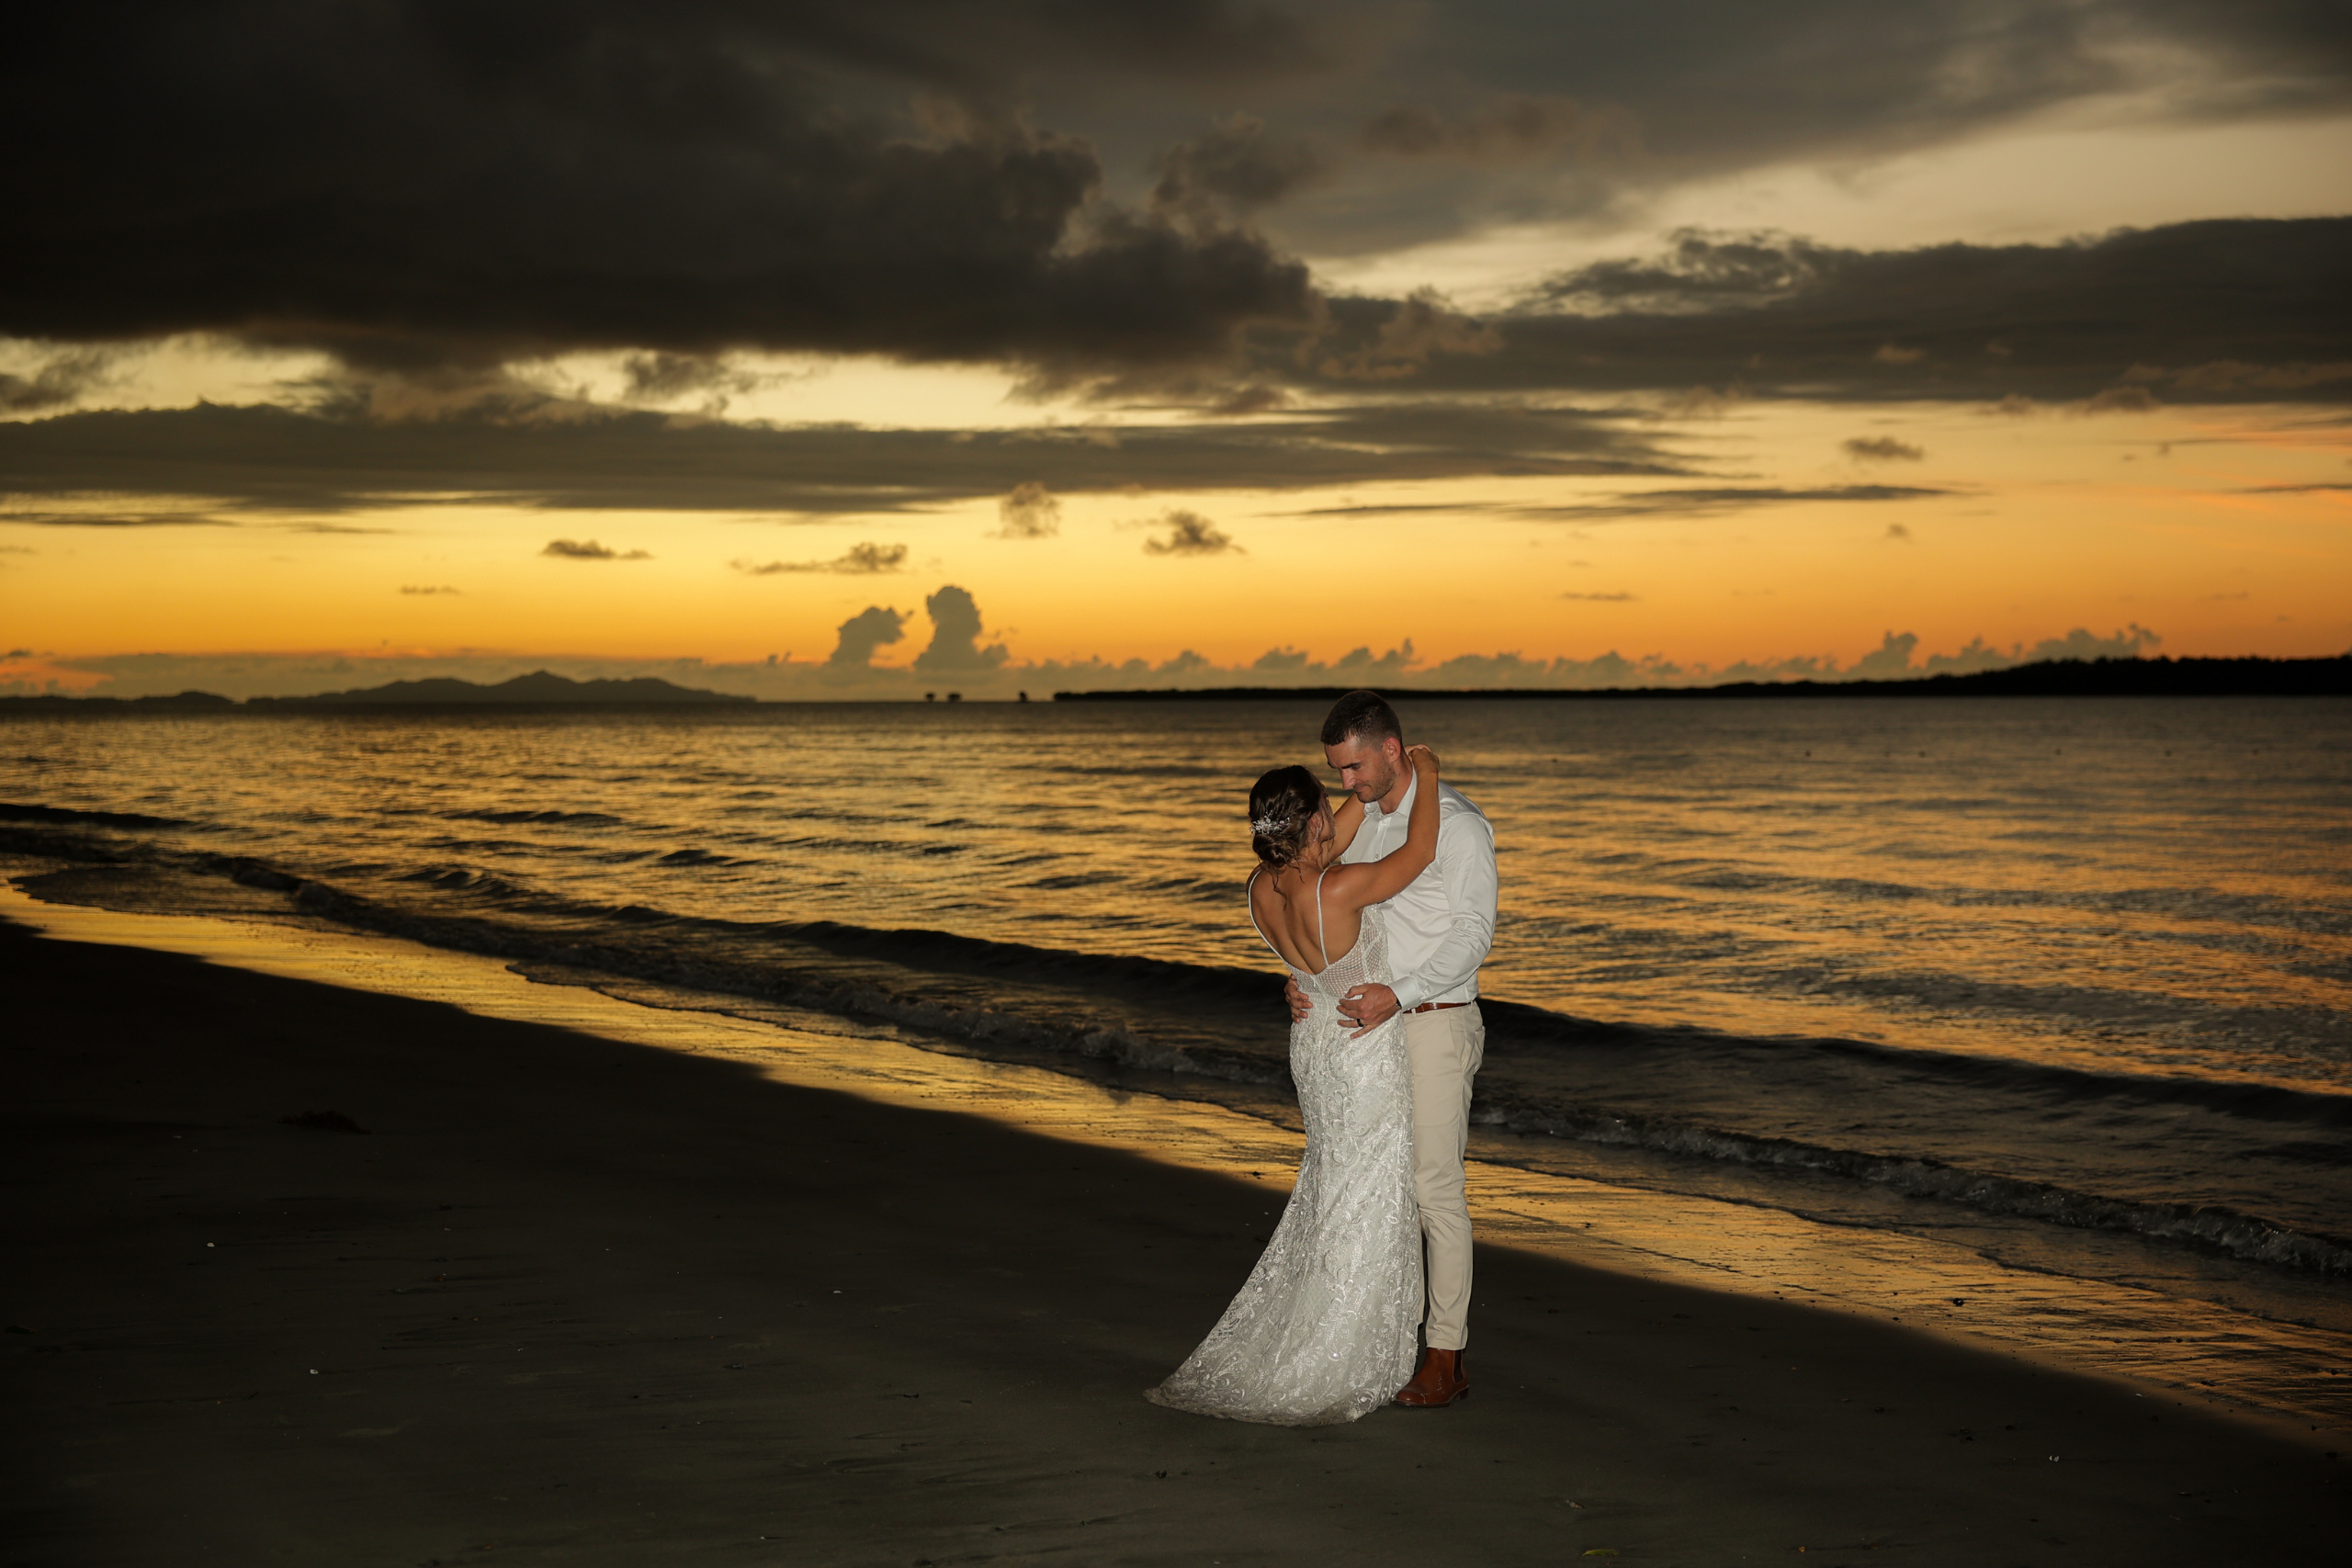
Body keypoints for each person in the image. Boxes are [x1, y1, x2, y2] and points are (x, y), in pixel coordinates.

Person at [1145, 744, 1445, 1426]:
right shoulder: (1336, 887)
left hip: (1312, 1043)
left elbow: (1343, 824)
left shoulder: (1259, 887)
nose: (1332, 817)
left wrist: (1364, 787)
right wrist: (1426, 771)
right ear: (1311, 823)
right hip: (1360, 1050)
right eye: (1322, 808)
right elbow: (1420, 853)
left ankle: (1331, 1323)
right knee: (1365, 1189)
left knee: (1336, 1180)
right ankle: (1345, 1344)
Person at [1293, 690, 1496, 1408]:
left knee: (1435, 1188)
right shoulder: (1367, 823)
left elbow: (1473, 936)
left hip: (1435, 1020)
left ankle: (1447, 1354)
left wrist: (1399, 993)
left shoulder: (1461, 826)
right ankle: (1379, 1335)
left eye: (1351, 769)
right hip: (1368, 1031)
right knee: (1377, 1185)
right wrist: (1307, 982)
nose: (1343, 785)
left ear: (1389, 749)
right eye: (1335, 772)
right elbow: (1322, 902)